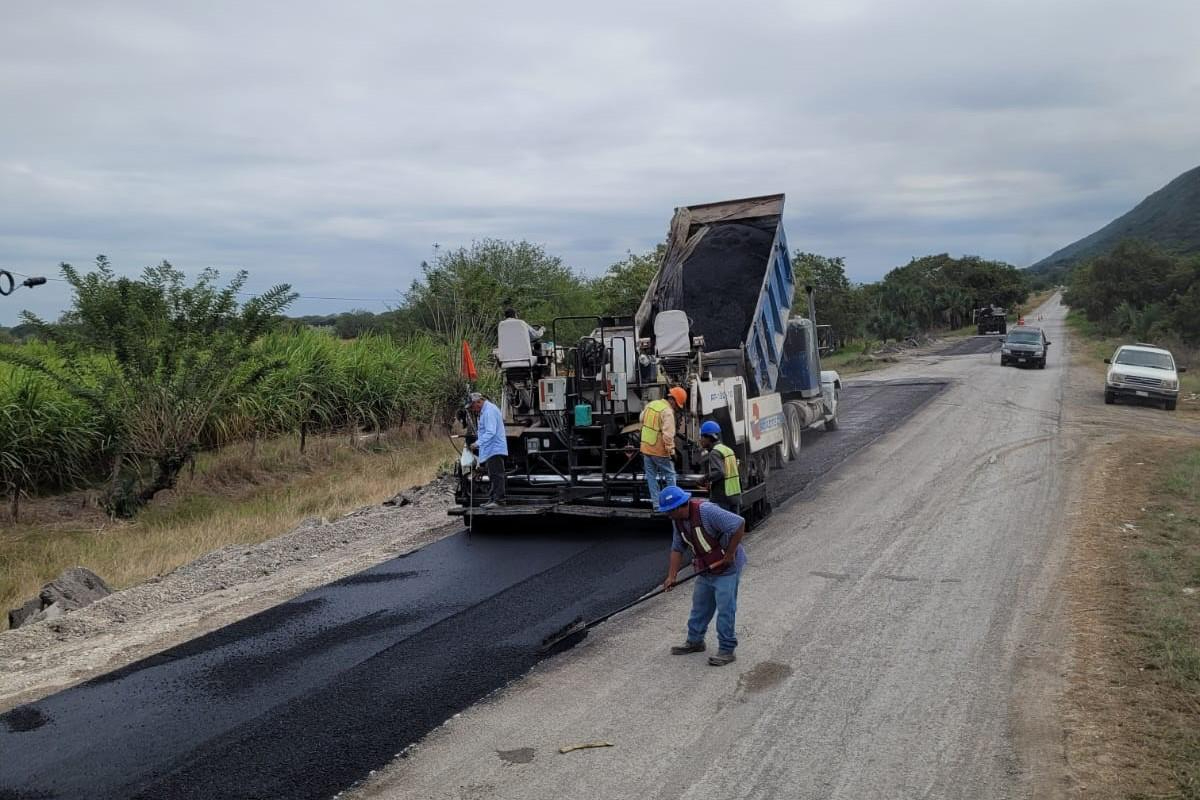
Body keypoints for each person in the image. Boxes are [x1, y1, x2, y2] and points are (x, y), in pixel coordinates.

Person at [659, 486, 747, 666]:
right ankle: (695, 641)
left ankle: (726, 650)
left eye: (669, 512)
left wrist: (729, 554)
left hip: (726, 568)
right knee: (700, 606)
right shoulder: (678, 520)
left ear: (679, 507)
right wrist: (671, 576)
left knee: (725, 610)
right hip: (706, 568)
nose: (667, 515)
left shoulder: (707, 511)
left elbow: (739, 523)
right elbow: (677, 547)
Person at [638, 387, 686, 509]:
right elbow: (668, 435)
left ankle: (656, 504)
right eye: (677, 406)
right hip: (659, 450)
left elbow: (641, 419)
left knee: (651, 477)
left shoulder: (651, 404)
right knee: (670, 475)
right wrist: (672, 451)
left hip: (646, 448)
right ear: (673, 400)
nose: (676, 408)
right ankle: (674, 502)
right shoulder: (667, 412)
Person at [466, 392, 508, 508]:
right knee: (492, 475)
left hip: (494, 448)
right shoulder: (485, 411)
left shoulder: (489, 411)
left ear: (478, 402)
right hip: (490, 449)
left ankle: (499, 500)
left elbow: (491, 431)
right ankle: (493, 498)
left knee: (496, 475)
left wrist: (477, 443)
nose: (473, 409)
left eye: (473, 406)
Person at [699, 420, 741, 513]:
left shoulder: (714, 453)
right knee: (734, 525)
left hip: (722, 497)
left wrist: (704, 478)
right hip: (734, 495)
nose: (700, 440)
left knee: (722, 526)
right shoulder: (727, 449)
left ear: (709, 438)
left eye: (702, 437)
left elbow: (720, 472)